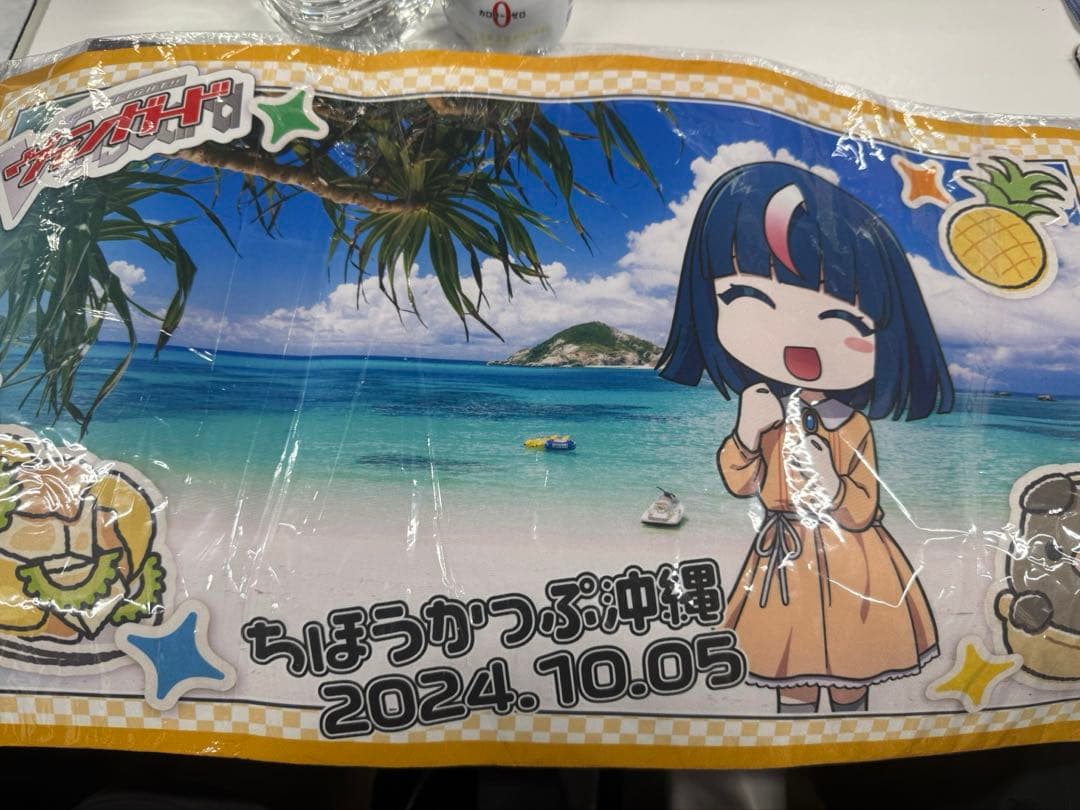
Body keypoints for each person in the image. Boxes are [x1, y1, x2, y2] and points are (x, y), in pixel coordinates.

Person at [657, 161, 953, 714]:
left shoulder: (851, 423)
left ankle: (847, 742)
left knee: (850, 674)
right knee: (789, 673)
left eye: (846, 321)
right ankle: (794, 741)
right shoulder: (767, 411)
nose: (800, 348)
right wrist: (747, 434)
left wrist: (830, 483)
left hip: (853, 561)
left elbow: (863, 506)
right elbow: (742, 484)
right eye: (748, 297)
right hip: (783, 556)